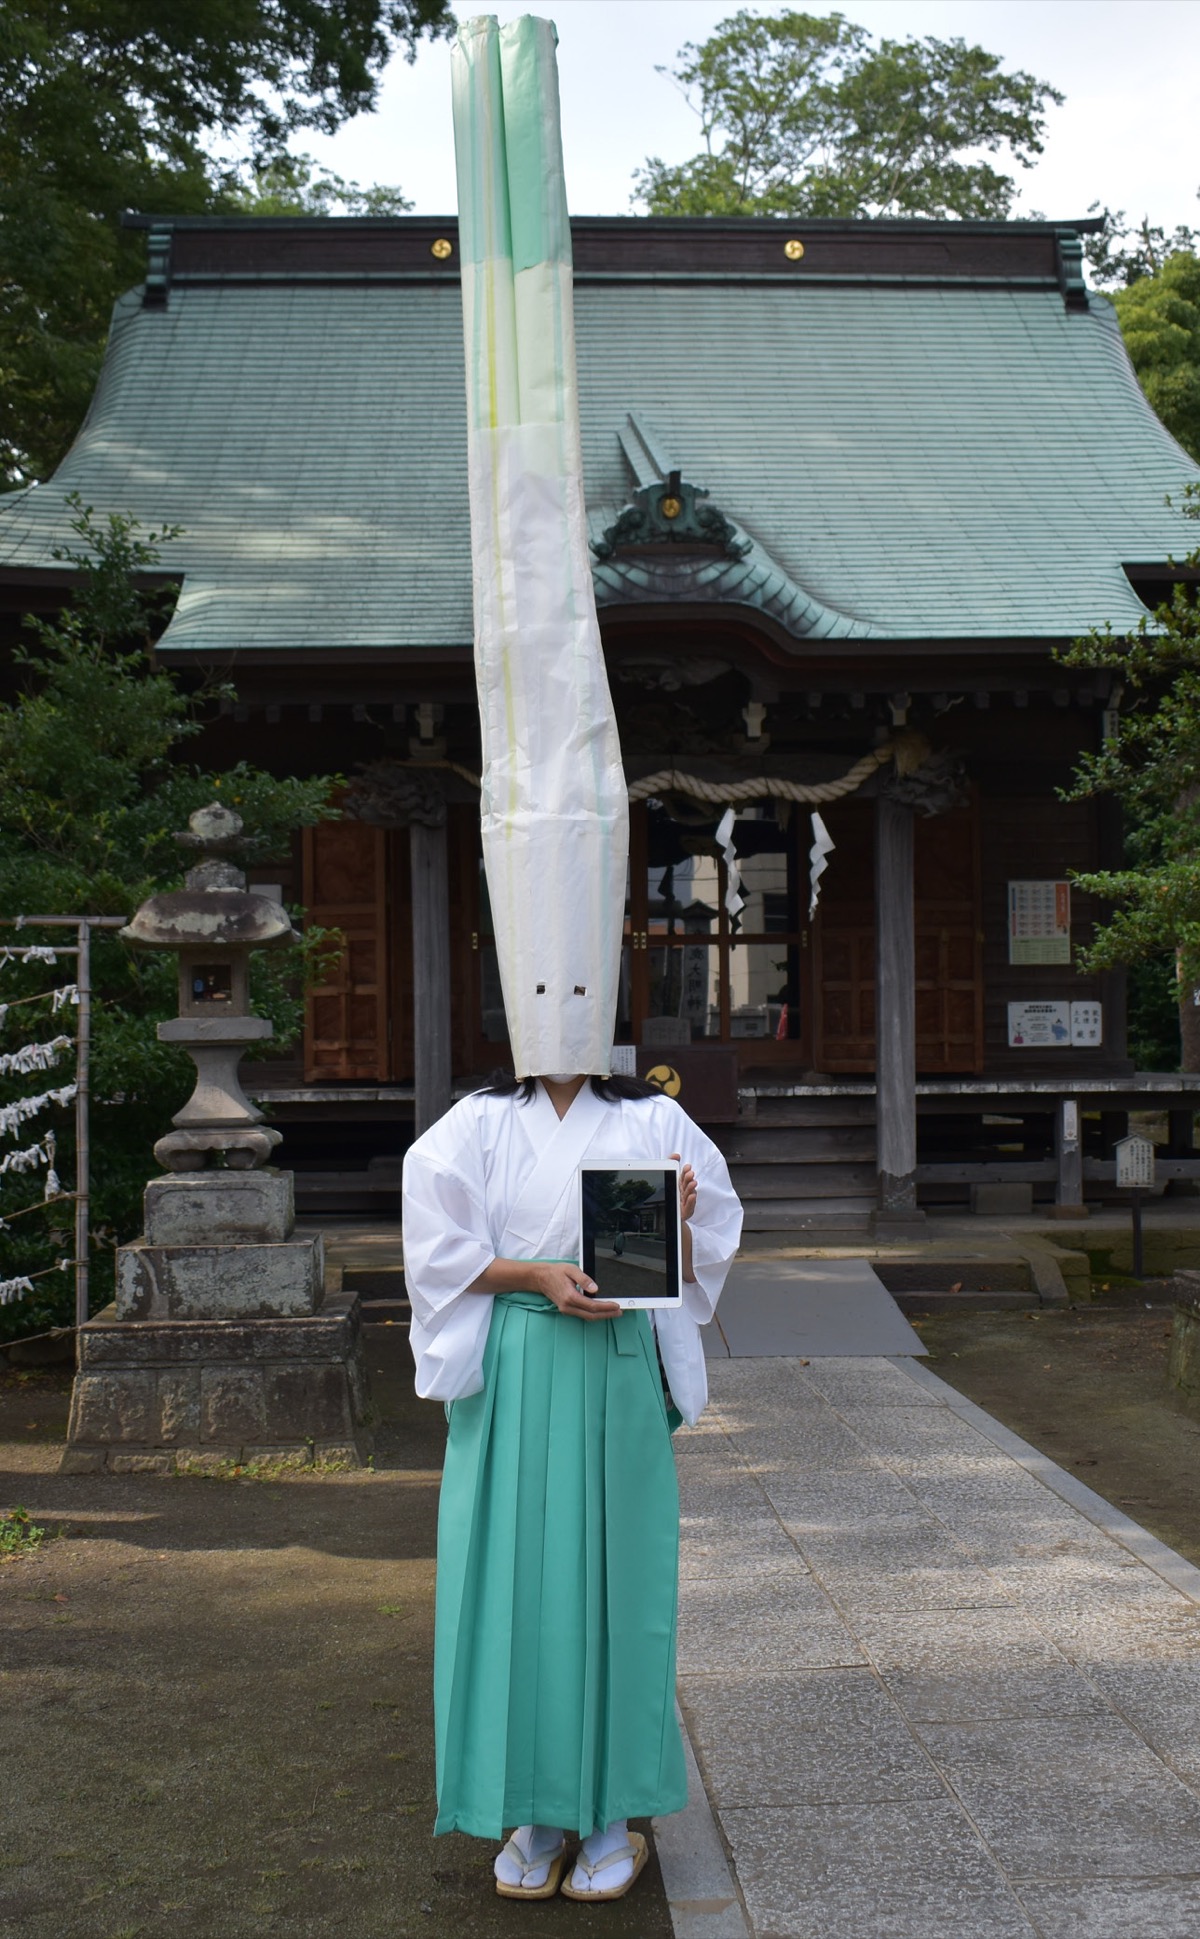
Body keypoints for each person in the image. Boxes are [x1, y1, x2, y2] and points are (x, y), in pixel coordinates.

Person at [401, 1068, 742, 1902]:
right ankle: (532, 1807)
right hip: (516, 1359)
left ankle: (610, 1814)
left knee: (616, 1586)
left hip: (619, 1360)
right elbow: (434, 1247)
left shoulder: (657, 1114)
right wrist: (536, 1274)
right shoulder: (475, 1122)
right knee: (515, 1580)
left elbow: (704, 1257)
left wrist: (683, 1218)